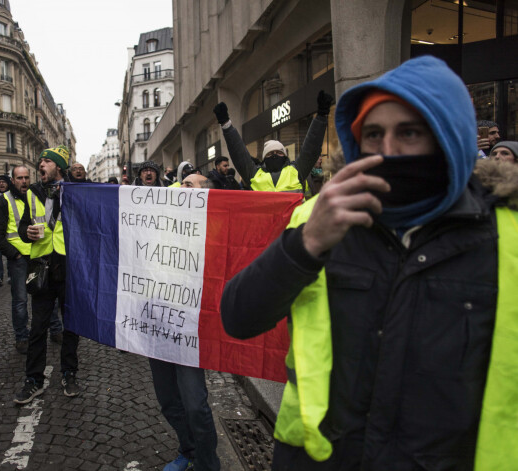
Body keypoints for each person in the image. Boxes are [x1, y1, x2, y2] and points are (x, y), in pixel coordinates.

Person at [221, 55, 518, 469]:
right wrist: (305, 245)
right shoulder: (321, 218)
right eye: (373, 134)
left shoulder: (507, 236)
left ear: (449, 137)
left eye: (410, 132)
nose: (388, 150)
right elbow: (237, 315)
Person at [138, 169, 220, 471]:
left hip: (189, 329)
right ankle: (189, 451)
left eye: (187, 185)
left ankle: (208, 465)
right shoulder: (162, 220)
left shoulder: (213, 226)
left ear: (203, 193)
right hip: (159, 323)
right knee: (169, 401)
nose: (179, 188)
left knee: (195, 404)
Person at [14, 145, 80, 404]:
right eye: (39, 161)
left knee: (71, 326)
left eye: (46, 161)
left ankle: (69, 374)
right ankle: (33, 380)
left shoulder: (76, 191)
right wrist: (25, 232)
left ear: (58, 167)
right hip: (42, 267)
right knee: (38, 327)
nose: (40, 165)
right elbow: (23, 226)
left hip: (69, 267)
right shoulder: (32, 192)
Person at [213, 91, 333, 193]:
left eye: (279, 152)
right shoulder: (254, 174)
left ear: (285, 155)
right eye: (270, 154)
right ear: (264, 157)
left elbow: (311, 149)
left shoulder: (296, 171)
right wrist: (226, 125)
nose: (275, 155)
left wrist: (321, 116)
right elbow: (238, 153)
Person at [0, 166, 32, 354]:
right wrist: (14, 254)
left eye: (26, 177)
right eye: (19, 178)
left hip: (38, 255)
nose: (24, 181)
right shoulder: (3, 200)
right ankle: (22, 337)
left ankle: (54, 330)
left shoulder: (34, 197)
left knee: (46, 297)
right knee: (20, 300)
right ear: (12, 180)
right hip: (19, 259)